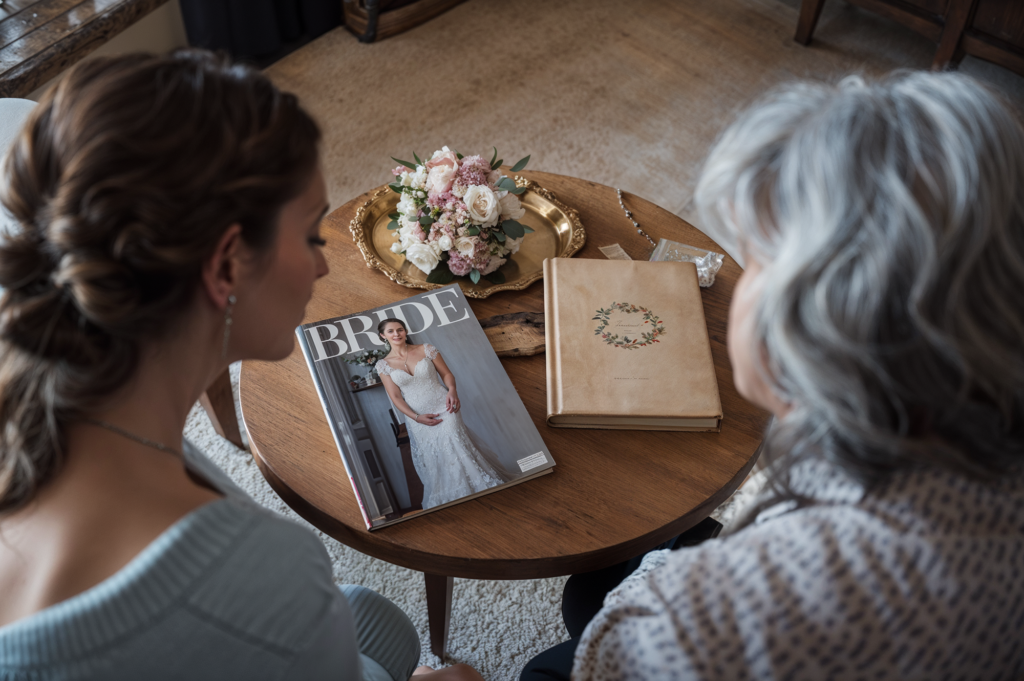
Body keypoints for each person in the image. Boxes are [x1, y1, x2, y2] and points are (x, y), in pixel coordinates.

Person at [522, 71, 1024, 679]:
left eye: (756, 258)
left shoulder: (700, 620)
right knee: (588, 589)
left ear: (822, 319)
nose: (739, 278)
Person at [0, 51, 483, 681]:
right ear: (227, 264)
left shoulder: (66, 389)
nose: (322, 265)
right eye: (311, 233)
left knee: (379, 622)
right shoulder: (257, 573)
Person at [375, 318, 514, 509]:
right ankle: (454, 496)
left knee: (456, 442)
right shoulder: (383, 365)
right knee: (435, 455)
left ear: (405, 331)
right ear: (383, 335)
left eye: (400, 330)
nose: (396, 334)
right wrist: (416, 417)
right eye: (391, 331)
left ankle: (481, 488)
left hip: (445, 405)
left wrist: (452, 391)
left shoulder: (426, 349)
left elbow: (447, 374)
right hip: (418, 417)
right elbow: (396, 397)